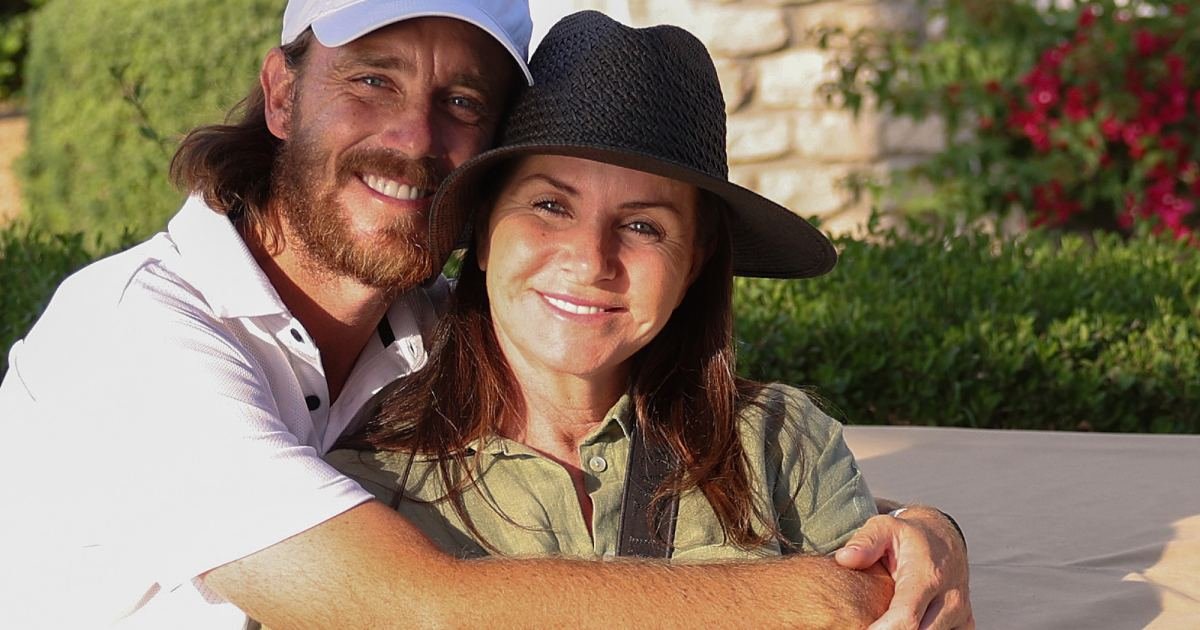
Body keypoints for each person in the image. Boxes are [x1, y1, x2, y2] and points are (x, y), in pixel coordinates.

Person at [0, 1, 971, 628]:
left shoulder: (427, 327)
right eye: (373, 78)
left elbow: (673, 433)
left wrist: (921, 531)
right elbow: (427, 606)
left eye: (462, 100)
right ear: (282, 95)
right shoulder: (127, 342)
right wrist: (819, 595)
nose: (415, 135)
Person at [329, 8, 889, 587]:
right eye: (551, 206)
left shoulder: (781, 445)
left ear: (692, 264)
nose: (592, 260)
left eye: (643, 226)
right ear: (487, 230)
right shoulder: (369, 488)